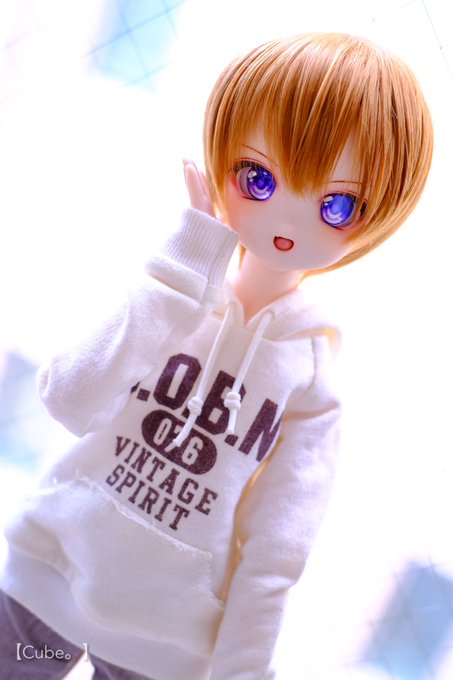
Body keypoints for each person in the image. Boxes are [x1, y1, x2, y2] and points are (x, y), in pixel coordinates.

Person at [0, 32, 433, 680]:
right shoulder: (171, 287)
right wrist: (183, 268)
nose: (288, 219)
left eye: (335, 204)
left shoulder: (311, 382)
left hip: (161, 644)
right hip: (44, 585)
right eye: (258, 178)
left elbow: (276, 552)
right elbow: (69, 399)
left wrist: (241, 669)